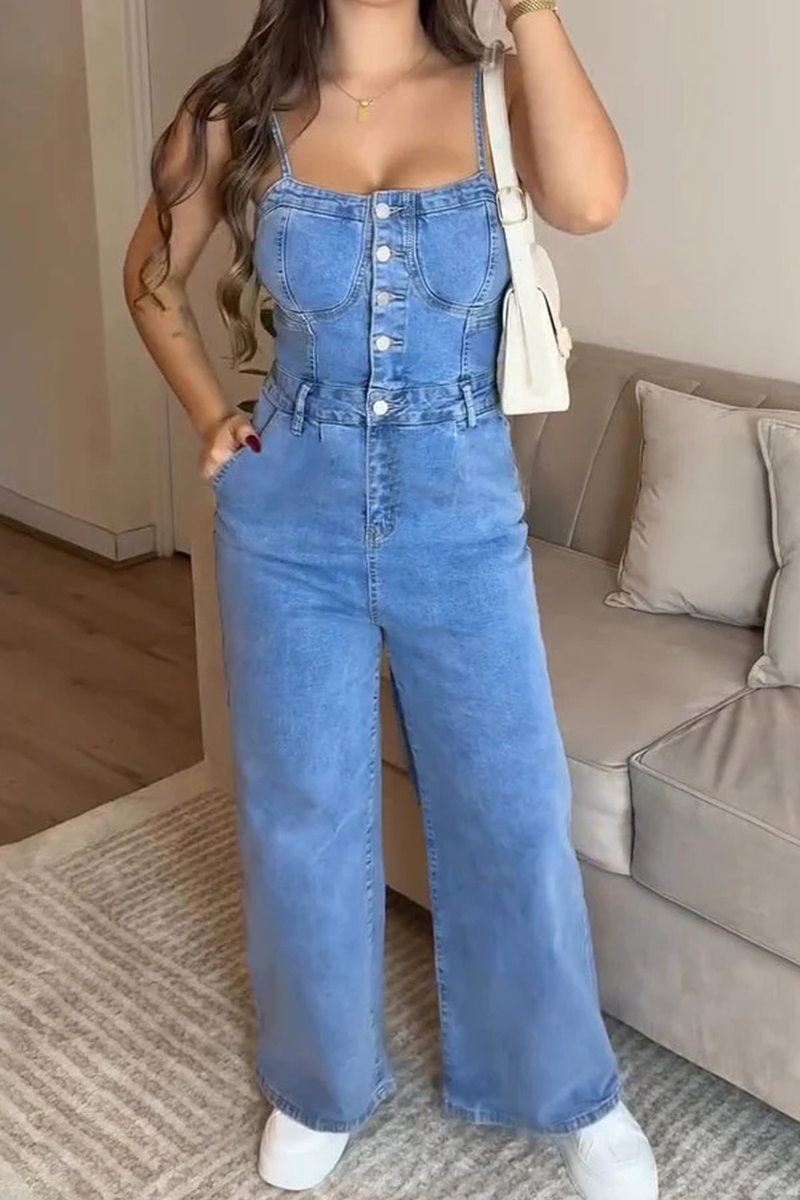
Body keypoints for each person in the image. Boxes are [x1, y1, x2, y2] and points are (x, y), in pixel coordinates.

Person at [123, 0, 658, 1196]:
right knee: (299, 809)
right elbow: (151, 277)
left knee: (512, 808)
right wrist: (212, 415)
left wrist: (528, 9)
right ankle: (318, 1082)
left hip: (459, 510)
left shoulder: (497, 92)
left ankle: (562, 1087)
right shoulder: (232, 112)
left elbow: (588, 202)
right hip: (287, 516)